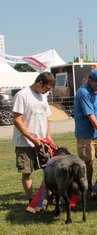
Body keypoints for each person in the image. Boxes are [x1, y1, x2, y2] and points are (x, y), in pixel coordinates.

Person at [12, 72, 55, 202]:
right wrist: (32, 138)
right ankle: (32, 200)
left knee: (47, 171)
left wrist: (48, 136)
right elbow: (17, 120)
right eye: (47, 88)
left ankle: (50, 197)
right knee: (27, 172)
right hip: (24, 143)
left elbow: (46, 117)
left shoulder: (43, 96)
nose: (48, 91)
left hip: (42, 142)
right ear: (40, 83)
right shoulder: (22, 95)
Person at [74, 69, 97, 195]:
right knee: (88, 162)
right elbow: (91, 116)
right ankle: (88, 187)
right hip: (86, 135)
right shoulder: (83, 93)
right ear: (90, 81)